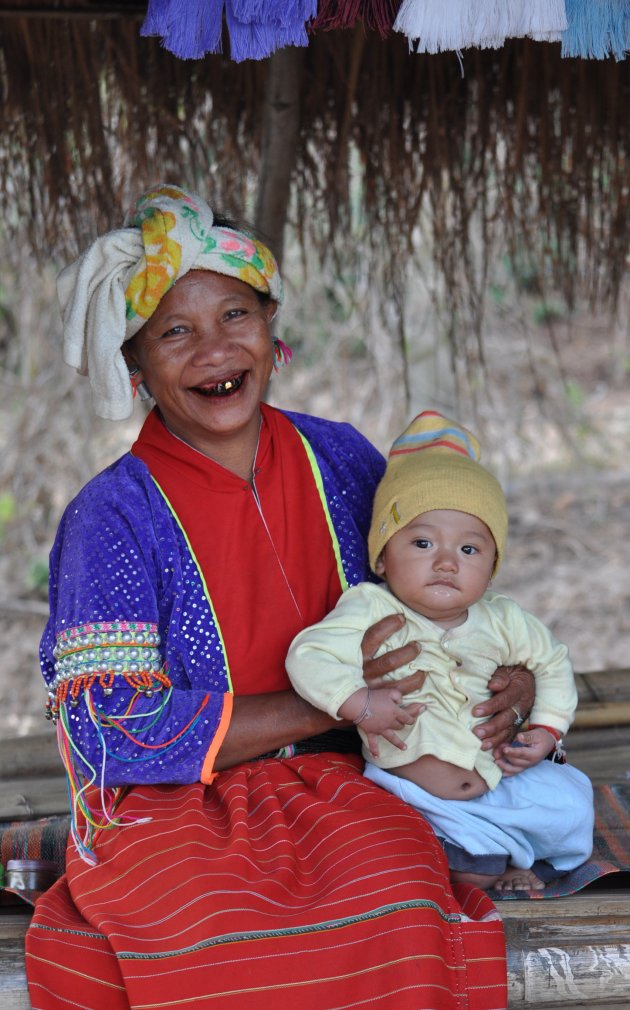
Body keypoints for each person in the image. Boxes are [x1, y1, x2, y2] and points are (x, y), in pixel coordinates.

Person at [26, 184, 534, 1010]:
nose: (214, 350)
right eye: (174, 332)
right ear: (136, 366)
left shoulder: (343, 461)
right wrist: (330, 706)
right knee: (216, 938)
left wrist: (503, 678)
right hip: (180, 810)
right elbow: (106, 728)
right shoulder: (111, 517)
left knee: (398, 905)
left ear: (272, 329)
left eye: (235, 316)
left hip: (355, 785)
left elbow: (443, 597)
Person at [287, 411, 594, 892]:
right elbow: (309, 655)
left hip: (495, 777)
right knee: (462, 864)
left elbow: (552, 661)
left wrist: (548, 729)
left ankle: (515, 860)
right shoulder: (370, 607)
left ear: (492, 569)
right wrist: (360, 703)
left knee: (572, 802)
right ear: (383, 556)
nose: (447, 562)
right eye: (423, 542)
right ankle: (497, 866)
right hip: (412, 789)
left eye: (470, 550)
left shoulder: (502, 618)